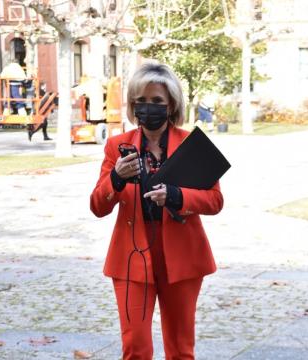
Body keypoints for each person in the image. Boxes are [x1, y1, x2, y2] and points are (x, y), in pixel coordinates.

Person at [89, 62, 223, 359]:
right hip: (130, 255)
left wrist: (177, 196)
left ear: (171, 104)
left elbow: (215, 201)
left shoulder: (191, 143)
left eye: (157, 102)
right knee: (135, 346)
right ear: (133, 104)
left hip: (183, 255)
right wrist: (116, 179)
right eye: (142, 101)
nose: (149, 107)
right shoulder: (117, 146)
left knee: (180, 347)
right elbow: (98, 206)